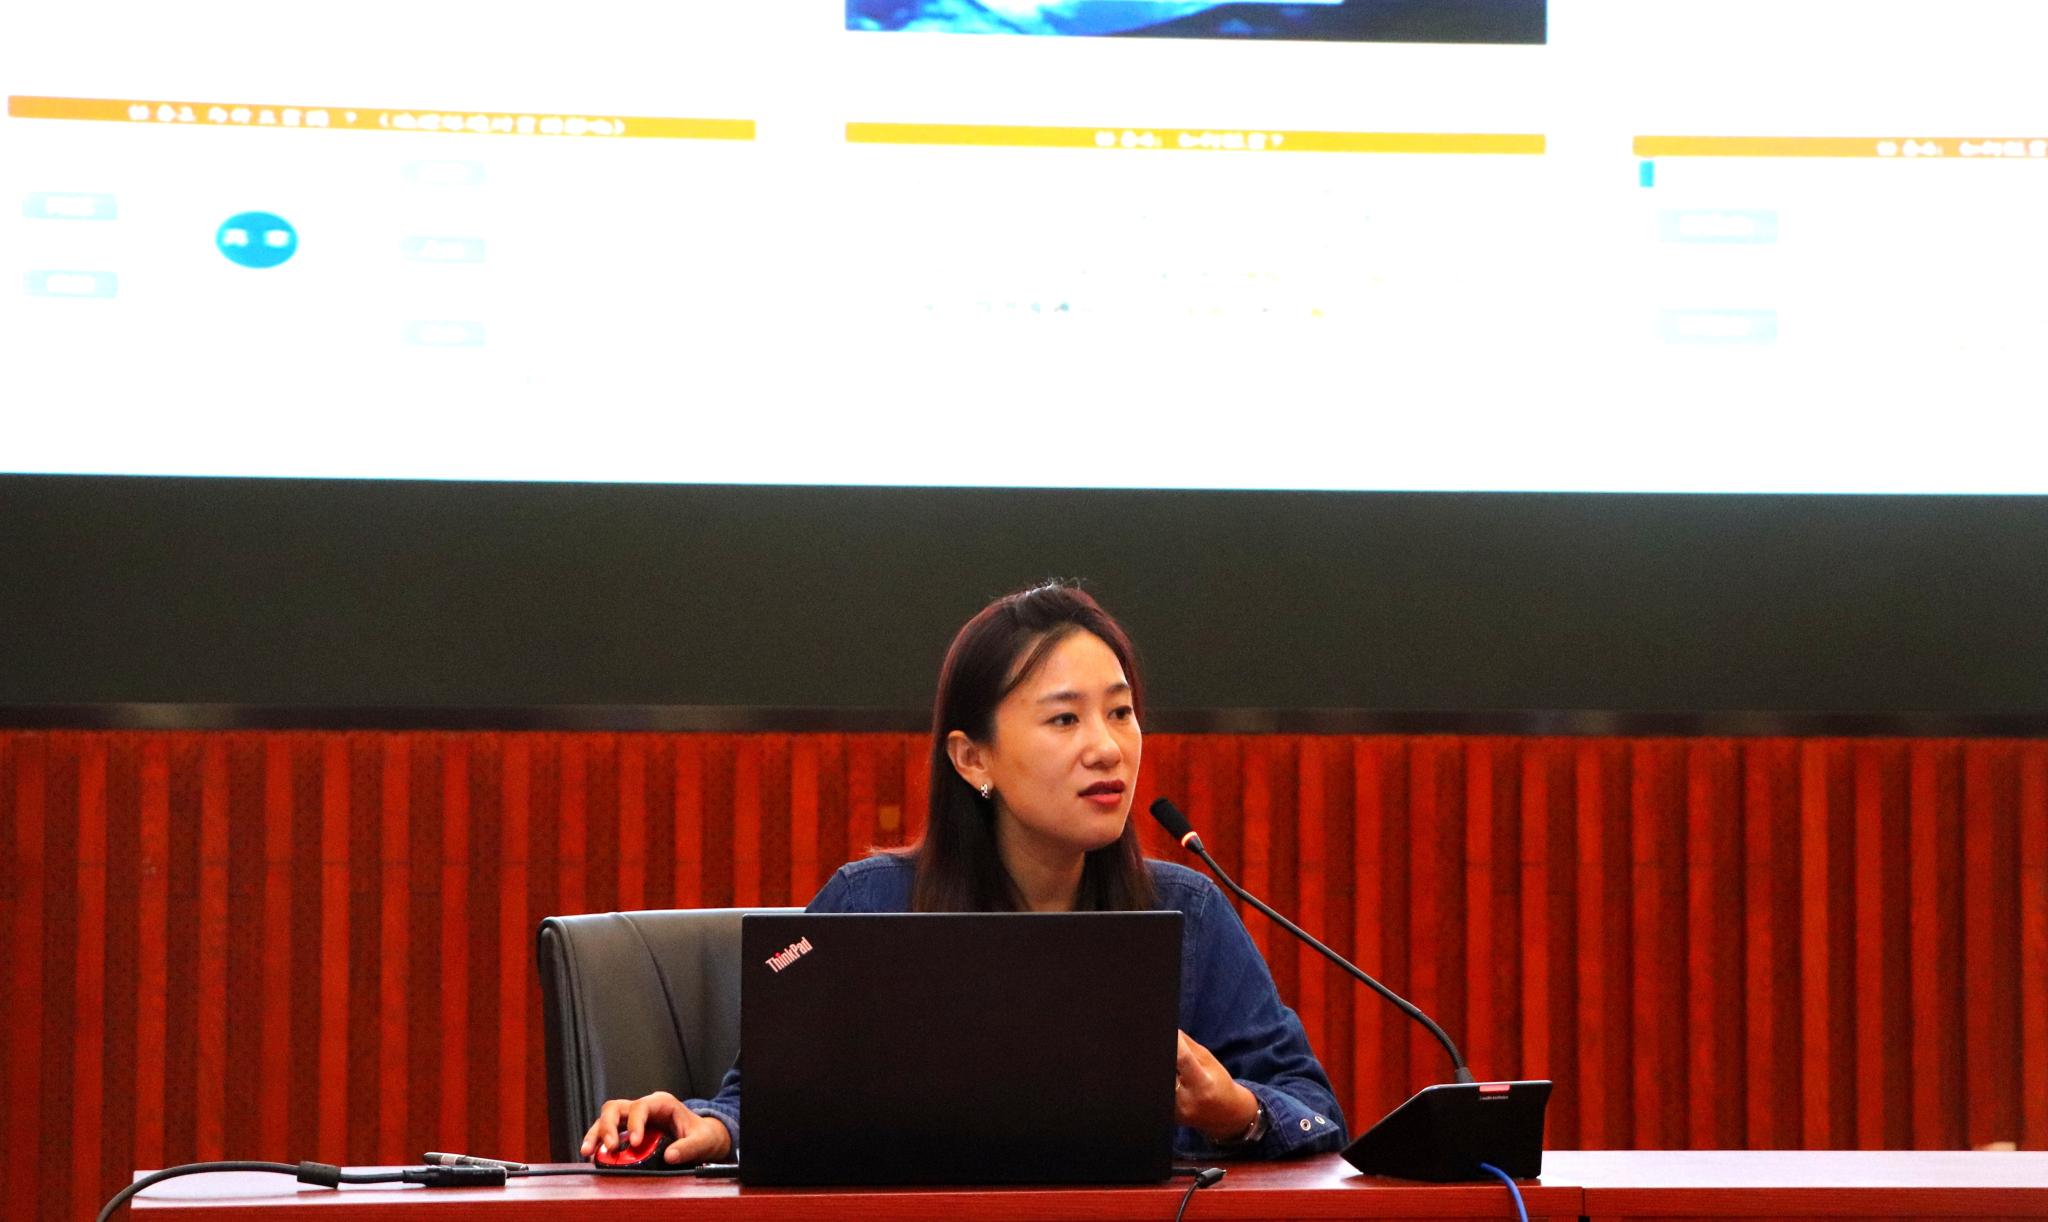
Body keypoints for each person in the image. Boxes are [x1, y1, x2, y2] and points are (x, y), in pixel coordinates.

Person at [582, 581, 1346, 1165]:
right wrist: (704, 1125)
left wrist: (1238, 1113)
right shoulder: (871, 906)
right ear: (972, 758)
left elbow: (1314, 1112)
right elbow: (764, 1103)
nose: (1108, 748)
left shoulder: (1186, 912)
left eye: (1120, 712)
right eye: (1065, 718)